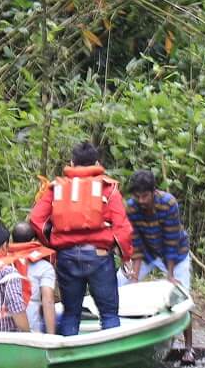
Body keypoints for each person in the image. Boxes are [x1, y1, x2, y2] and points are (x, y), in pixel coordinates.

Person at [27, 141, 134, 335]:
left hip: (66, 256)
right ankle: (110, 359)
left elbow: (36, 219)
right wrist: (127, 257)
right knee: (109, 314)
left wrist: (51, 241)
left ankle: (69, 358)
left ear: (71, 162)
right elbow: (122, 229)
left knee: (71, 313)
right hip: (99, 256)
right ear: (97, 162)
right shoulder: (108, 188)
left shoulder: (55, 188)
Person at [125, 168, 196, 365]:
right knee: (121, 286)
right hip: (148, 252)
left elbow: (171, 239)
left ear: (154, 192)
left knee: (182, 296)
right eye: (137, 196)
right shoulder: (131, 208)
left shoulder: (168, 203)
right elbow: (136, 241)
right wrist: (134, 275)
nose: (141, 200)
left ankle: (189, 349)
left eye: (145, 196)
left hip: (176, 253)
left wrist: (170, 275)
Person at [9, 221, 59, 336]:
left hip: (2, 328)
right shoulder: (44, 267)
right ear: (34, 241)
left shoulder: (3, 263)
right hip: (31, 329)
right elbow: (48, 301)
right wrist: (51, 336)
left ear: (12, 241)